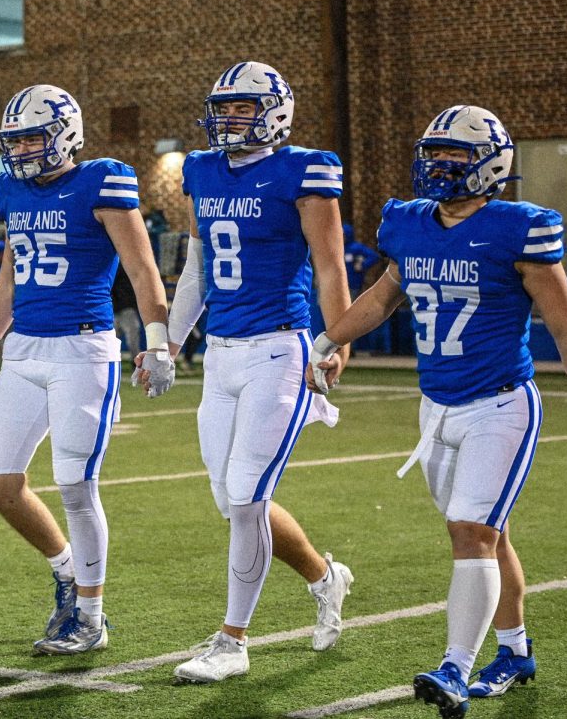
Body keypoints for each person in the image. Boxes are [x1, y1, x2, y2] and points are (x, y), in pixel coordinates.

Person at [306, 105, 567, 718]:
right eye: (435, 155)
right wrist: (328, 339)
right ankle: (515, 652)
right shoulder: (410, 223)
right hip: (437, 408)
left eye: (455, 156)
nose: (440, 167)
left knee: (473, 531)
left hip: (500, 404)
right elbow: (384, 295)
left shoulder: (517, 229)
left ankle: (454, 668)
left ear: (491, 166)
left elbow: (565, 324)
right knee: (484, 536)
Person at [0, 84, 174, 655]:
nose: (23, 151)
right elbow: (9, 275)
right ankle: (64, 569)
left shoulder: (101, 181)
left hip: (82, 351)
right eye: (16, 140)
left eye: (34, 137)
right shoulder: (12, 190)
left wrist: (158, 340)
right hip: (24, 351)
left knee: (77, 486)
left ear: (65, 135)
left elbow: (141, 267)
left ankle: (91, 615)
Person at [162, 62, 354, 683]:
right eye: (224, 106)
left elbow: (329, 263)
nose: (229, 118)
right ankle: (326, 578)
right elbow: (197, 270)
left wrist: (338, 335)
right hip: (219, 353)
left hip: (282, 349)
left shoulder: (303, 168)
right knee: (235, 499)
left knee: (246, 495)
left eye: (243, 107)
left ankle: (232, 640)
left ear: (273, 112)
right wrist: (167, 343)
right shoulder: (201, 169)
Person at [111, 263, 141, 357]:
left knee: (133, 339)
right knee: (111, 340)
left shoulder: (129, 265)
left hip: (126, 307)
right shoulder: (111, 264)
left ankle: (136, 363)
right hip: (112, 308)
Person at [343, 223, 381, 298]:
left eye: (343, 235)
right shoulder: (338, 249)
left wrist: (363, 265)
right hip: (341, 285)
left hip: (353, 285)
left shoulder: (356, 248)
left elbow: (374, 256)